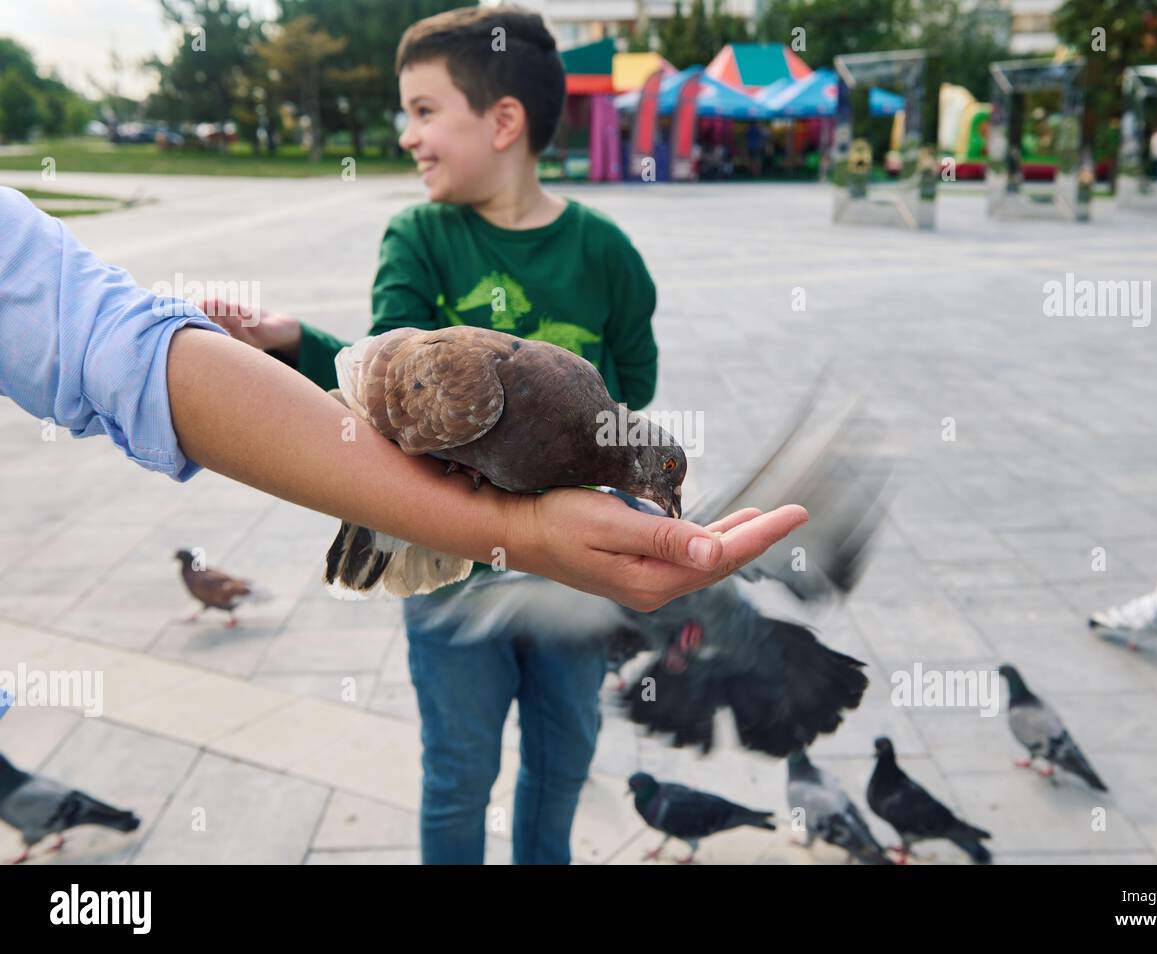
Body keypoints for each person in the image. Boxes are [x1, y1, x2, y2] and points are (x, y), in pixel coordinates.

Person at [198, 6, 793, 865]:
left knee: (563, 759)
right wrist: (292, 343)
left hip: (570, 582)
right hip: (451, 578)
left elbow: (632, 393)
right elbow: (386, 391)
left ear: (503, 121)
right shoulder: (422, 239)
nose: (408, 135)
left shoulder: (607, 254)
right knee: (459, 771)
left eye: (425, 111)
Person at [0, 186, 805, 614]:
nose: (665, 495)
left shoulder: (593, 407)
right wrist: (512, 530)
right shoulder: (500, 380)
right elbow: (376, 382)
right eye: (664, 476)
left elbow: (114, 346)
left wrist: (523, 531)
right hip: (417, 409)